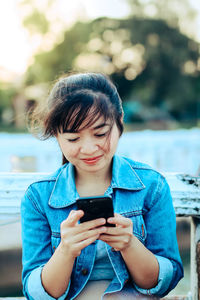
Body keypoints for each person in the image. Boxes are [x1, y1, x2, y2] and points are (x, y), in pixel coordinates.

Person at [21, 72, 183, 300]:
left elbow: (165, 281)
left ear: (120, 122)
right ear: (56, 136)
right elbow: (37, 293)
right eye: (73, 139)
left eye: (100, 133)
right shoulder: (37, 197)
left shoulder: (152, 187)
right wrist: (66, 250)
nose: (88, 148)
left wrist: (129, 245)